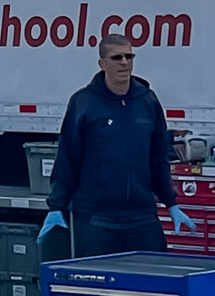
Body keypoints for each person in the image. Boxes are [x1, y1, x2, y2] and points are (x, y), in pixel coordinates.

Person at [42, 34, 198, 259]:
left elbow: (158, 157)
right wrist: (57, 205)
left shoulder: (147, 101)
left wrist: (170, 202)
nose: (124, 63)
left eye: (129, 56)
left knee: (151, 278)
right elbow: (68, 158)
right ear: (102, 63)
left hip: (142, 217)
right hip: (97, 218)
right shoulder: (83, 103)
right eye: (116, 58)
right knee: (98, 280)